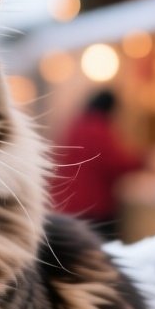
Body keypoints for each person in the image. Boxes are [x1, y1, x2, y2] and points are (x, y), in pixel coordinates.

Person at [50, 89, 143, 239]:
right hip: (94, 205)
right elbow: (115, 162)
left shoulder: (75, 125)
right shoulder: (98, 128)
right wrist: (143, 160)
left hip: (69, 202)